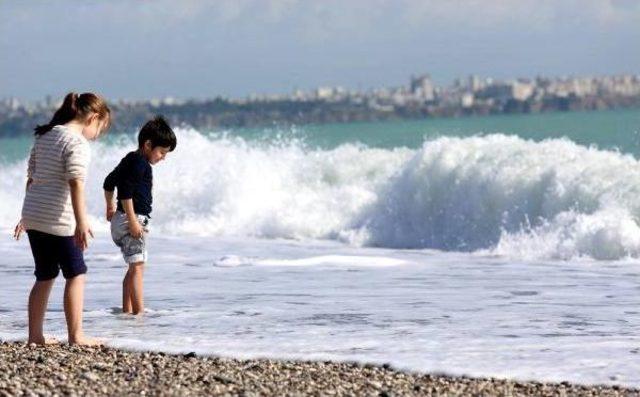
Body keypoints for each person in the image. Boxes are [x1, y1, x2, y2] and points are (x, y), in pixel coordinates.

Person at [14, 92, 111, 346]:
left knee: (44, 275)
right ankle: (76, 336)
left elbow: (32, 178)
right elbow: (76, 183)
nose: (97, 135)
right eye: (100, 128)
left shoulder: (45, 136)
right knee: (76, 274)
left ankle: (35, 336)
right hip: (60, 220)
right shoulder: (77, 143)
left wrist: (26, 216)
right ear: (93, 117)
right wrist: (81, 221)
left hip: (34, 215)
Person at [103, 116, 176, 315]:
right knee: (138, 268)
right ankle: (139, 314)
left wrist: (109, 206)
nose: (163, 157)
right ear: (148, 145)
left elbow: (109, 182)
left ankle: (127, 311)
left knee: (132, 266)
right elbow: (126, 192)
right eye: (161, 152)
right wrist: (134, 221)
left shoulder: (129, 159)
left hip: (120, 219)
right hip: (132, 219)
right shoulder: (140, 165)